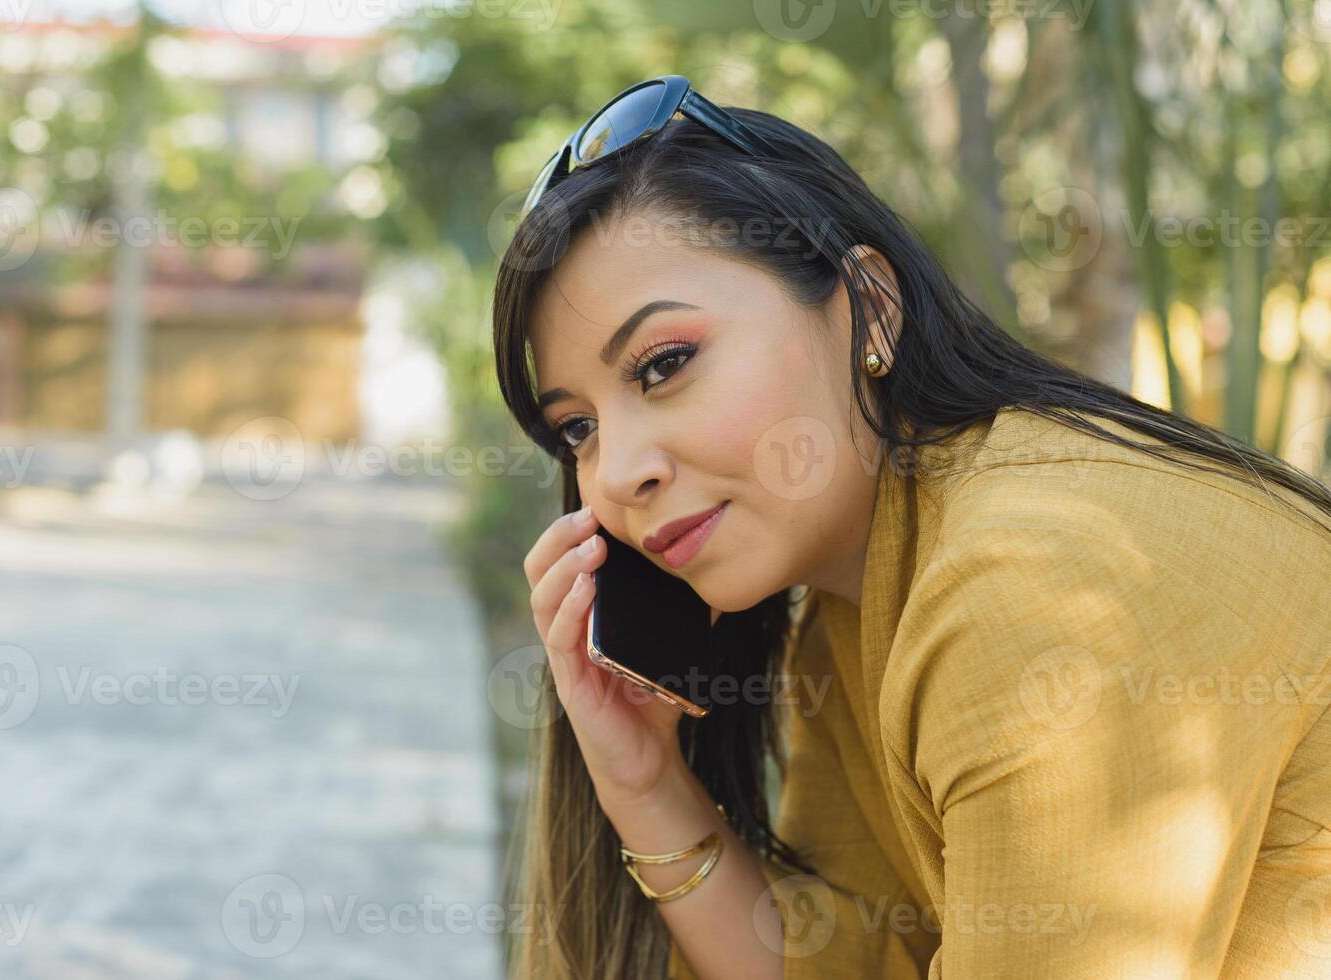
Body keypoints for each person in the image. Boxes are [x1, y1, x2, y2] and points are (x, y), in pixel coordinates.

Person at [492, 76, 1331, 979]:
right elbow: (855, 961)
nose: (617, 474)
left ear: (871, 307)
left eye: (664, 364)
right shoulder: (853, 604)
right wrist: (646, 785)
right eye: (577, 428)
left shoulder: (1032, 587)